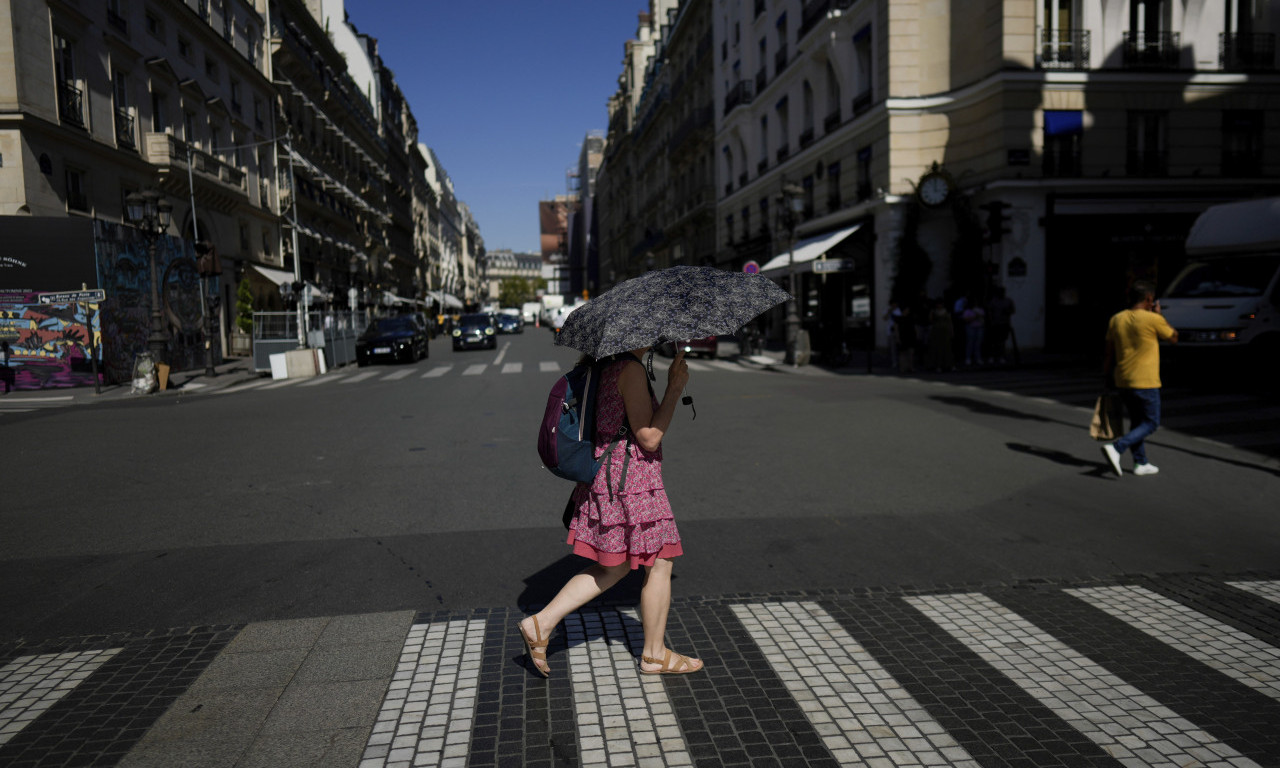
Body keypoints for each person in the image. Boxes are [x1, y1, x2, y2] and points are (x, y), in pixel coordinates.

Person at [518, 348, 703, 677]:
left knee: (614, 566)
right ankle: (654, 655)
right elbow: (649, 437)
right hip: (632, 481)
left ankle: (541, 623)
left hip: (608, 475)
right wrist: (674, 388)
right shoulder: (630, 370)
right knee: (661, 560)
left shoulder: (606, 365)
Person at [1100, 280, 1178, 477]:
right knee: (1151, 422)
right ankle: (1117, 447)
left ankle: (1140, 463)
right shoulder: (1153, 319)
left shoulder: (1116, 319)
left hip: (1122, 379)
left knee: (1137, 421)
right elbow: (1173, 337)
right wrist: (1159, 315)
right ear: (1149, 299)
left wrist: (1106, 377)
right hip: (1145, 381)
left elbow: (1108, 353)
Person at [985, 287, 1016, 364]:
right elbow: (989, 312)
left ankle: (1001, 356)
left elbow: (1013, 310)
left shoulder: (1008, 301)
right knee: (993, 341)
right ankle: (993, 356)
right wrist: (991, 321)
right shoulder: (993, 301)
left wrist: (1007, 311)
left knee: (1002, 341)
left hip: (1004, 323)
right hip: (995, 324)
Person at [924, 301, 954, 372]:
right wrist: (931, 313)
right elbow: (930, 320)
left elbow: (950, 322)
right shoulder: (934, 312)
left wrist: (951, 331)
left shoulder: (946, 312)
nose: (939, 305)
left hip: (945, 331)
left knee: (946, 348)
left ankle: (947, 365)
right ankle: (936, 365)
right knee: (936, 348)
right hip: (936, 331)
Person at [962, 297, 986, 366]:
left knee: (978, 343)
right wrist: (975, 317)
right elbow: (966, 319)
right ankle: (968, 358)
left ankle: (978, 358)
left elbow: (983, 318)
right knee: (970, 343)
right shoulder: (967, 311)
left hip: (979, 327)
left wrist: (977, 316)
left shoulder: (980, 310)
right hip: (970, 328)